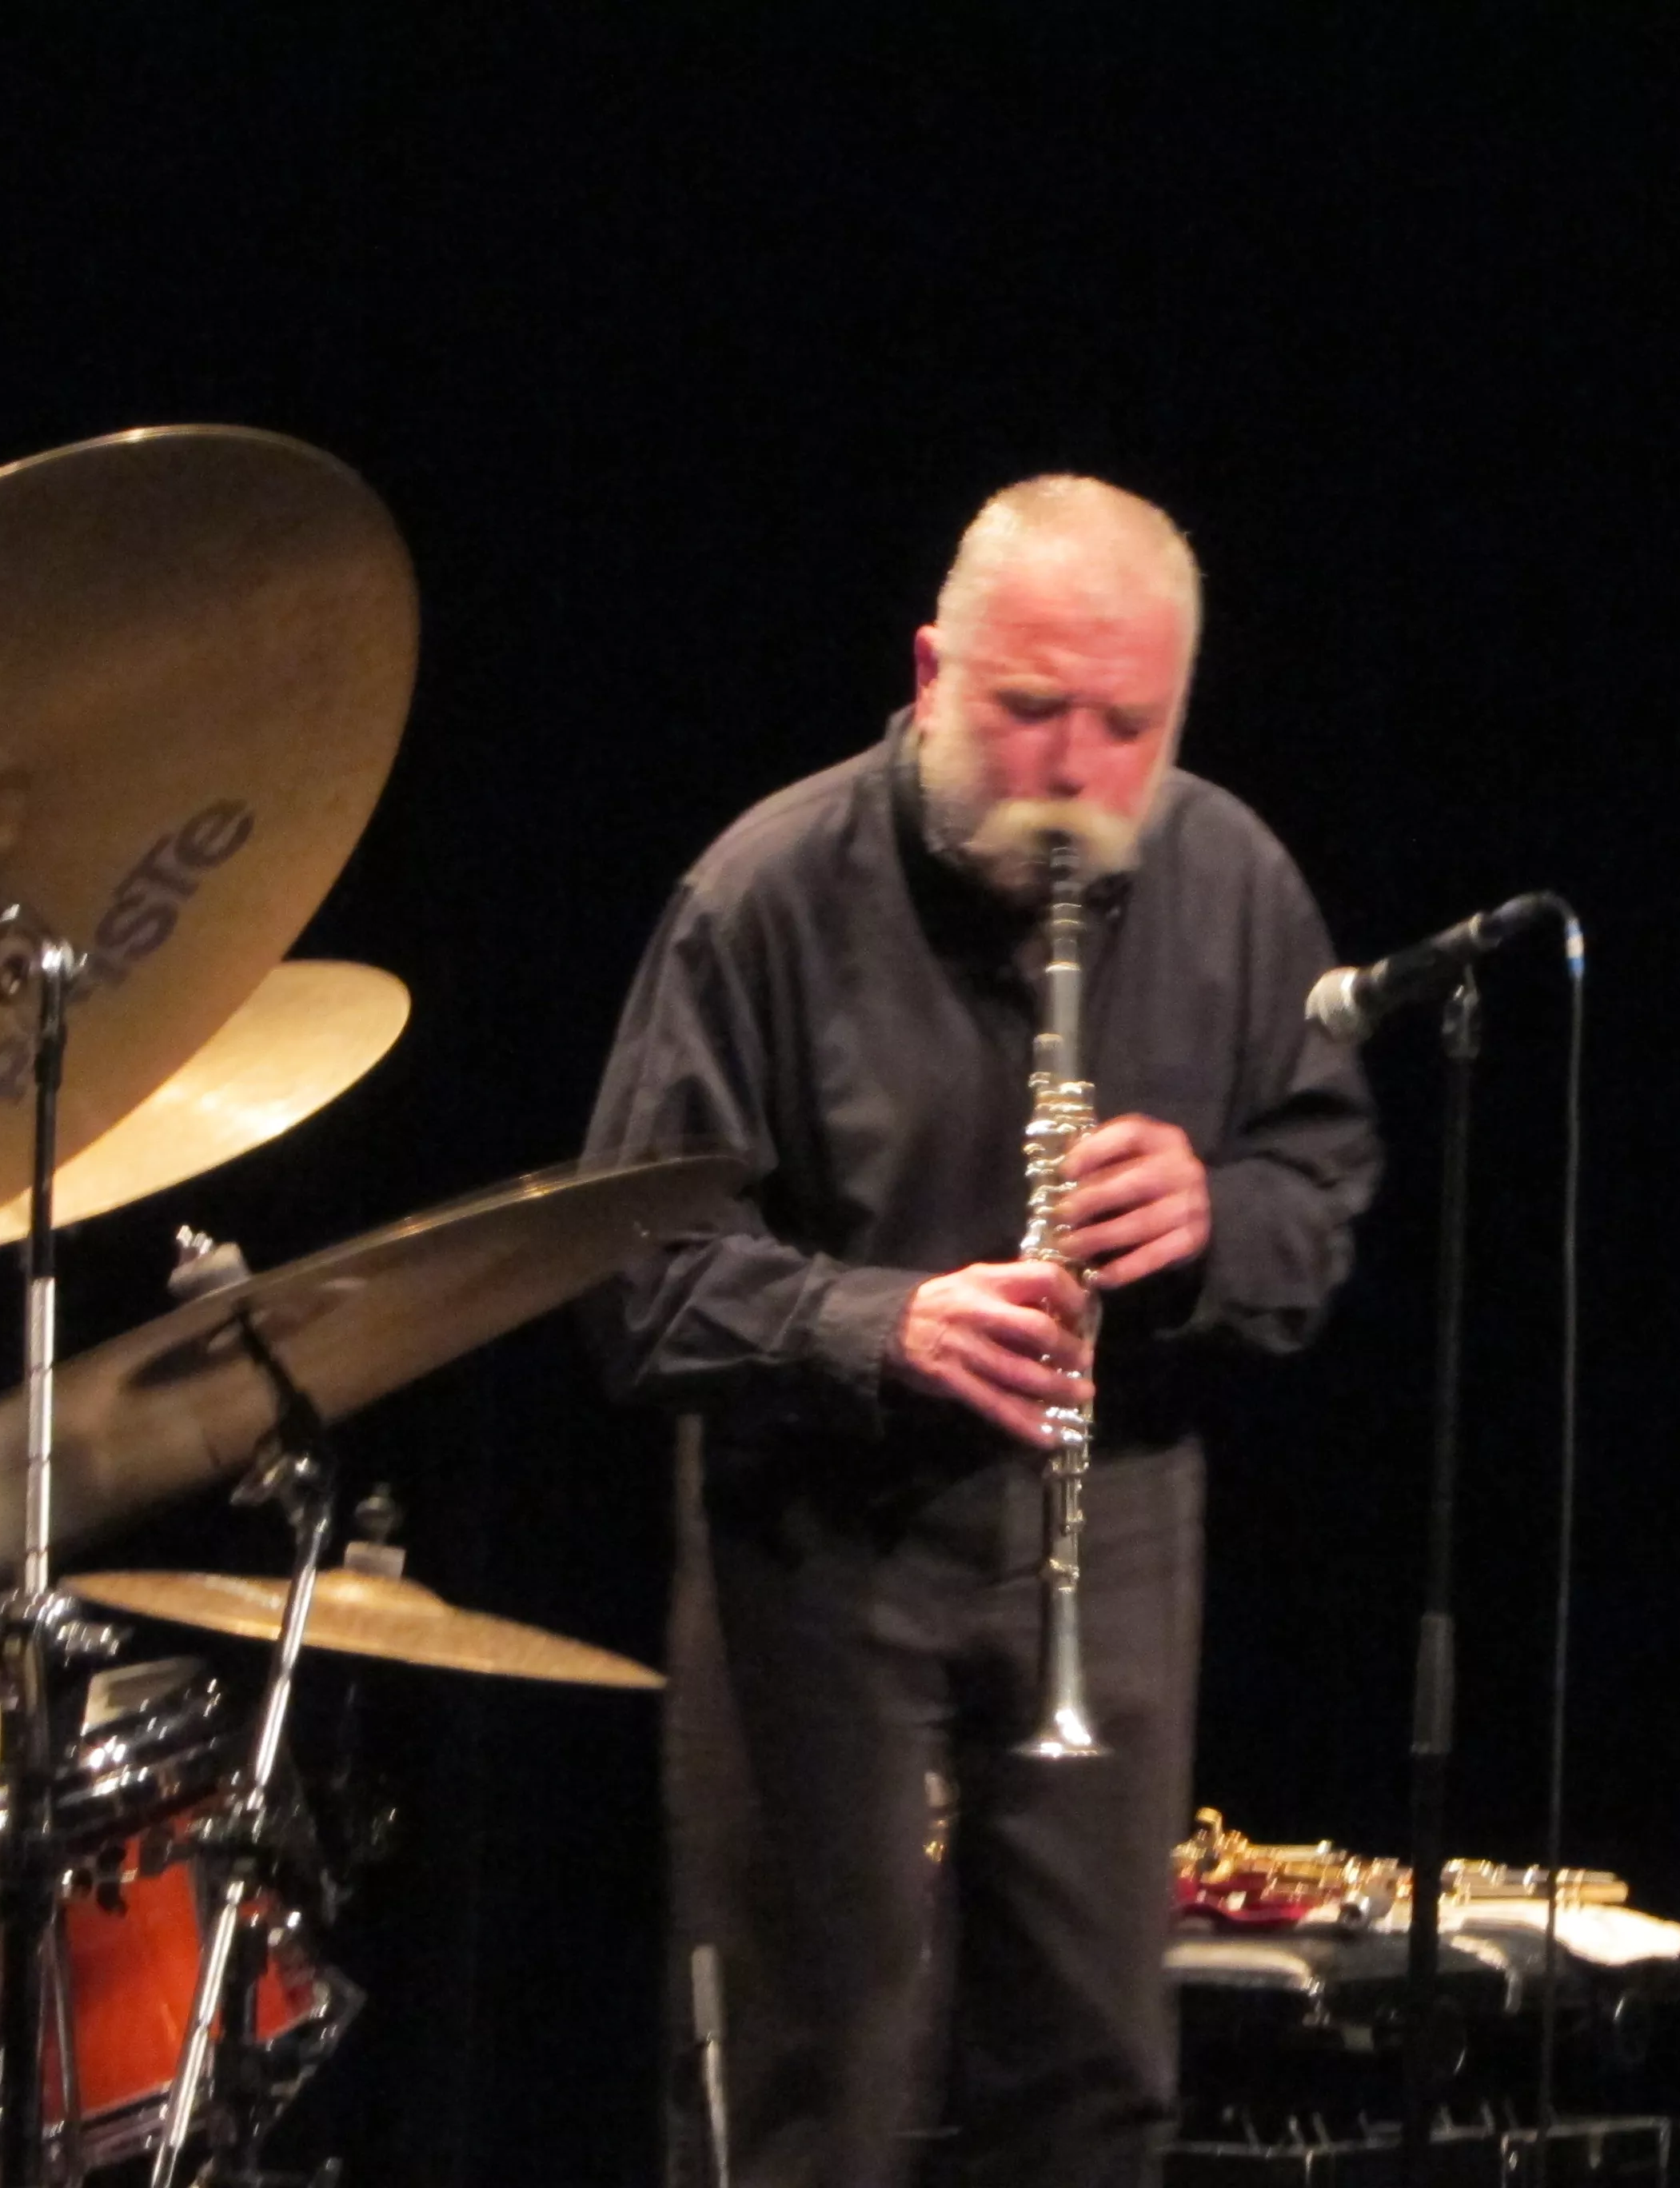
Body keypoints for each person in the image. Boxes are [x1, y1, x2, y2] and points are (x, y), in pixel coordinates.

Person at [585, 476, 1380, 2188]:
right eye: (1030, 709)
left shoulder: (1233, 880)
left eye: (1127, 726)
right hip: (823, 1549)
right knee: (823, 2082)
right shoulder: (765, 894)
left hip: (1118, 1519)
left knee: (1097, 2076)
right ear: (932, 672)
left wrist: (1212, 1224)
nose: (1074, 770)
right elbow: (635, 1278)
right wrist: (882, 1326)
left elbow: (1320, 1194)